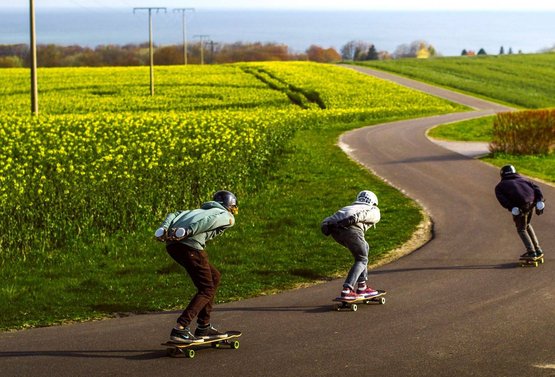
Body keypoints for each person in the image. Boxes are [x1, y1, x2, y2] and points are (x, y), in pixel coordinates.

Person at [154, 190, 238, 343]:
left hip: (173, 246)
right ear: (229, 206)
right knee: (206, 289)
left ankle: (203, 326)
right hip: (190, 246)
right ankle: (181, 328)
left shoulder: (196, 211)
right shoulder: (225, 215)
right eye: (233, 208)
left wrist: (164, 228)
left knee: (214, 276)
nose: (233, 211)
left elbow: (174, 214)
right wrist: (189, 231)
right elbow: (209, 223)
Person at [321, 190, 381, 300]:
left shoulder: (348, 207)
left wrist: (325, 224)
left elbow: (329, 219)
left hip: (336, 232)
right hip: (351, 230)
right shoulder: (374, 209)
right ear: (374, 202)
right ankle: (347, 290)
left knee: (365, 247)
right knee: (362, 259)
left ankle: (362, 287)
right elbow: (363, 215)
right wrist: (352, 220)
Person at [494, 165, 545, 259]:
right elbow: (536, 188)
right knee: (527, 225)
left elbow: (503, 200)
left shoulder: (500, 186)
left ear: (502, 174)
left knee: (521, 229)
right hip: (532, 203)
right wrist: (539, 200)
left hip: (520, 206)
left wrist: (511, 207)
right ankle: (538, 249)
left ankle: (531, 251)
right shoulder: (524, 180)